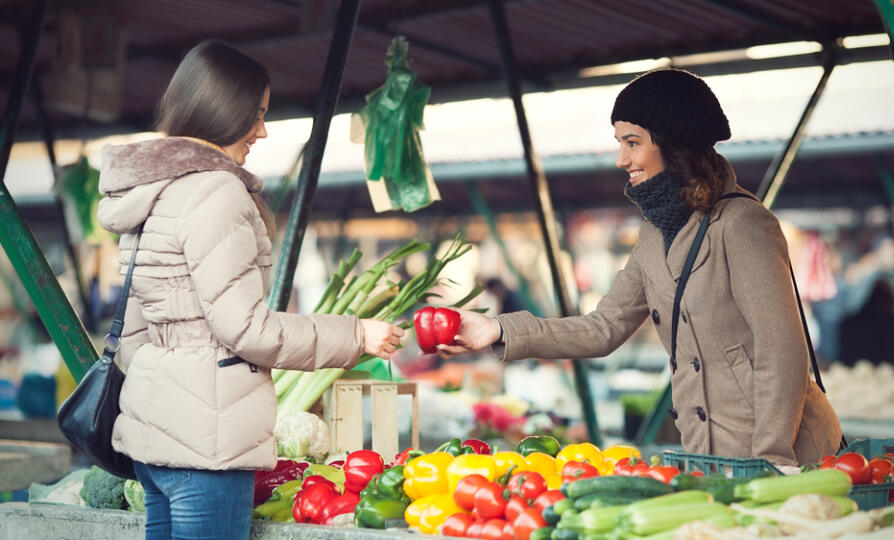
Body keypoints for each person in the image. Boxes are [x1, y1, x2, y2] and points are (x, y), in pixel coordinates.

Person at [438, 68, 842, 467]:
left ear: (673, 144)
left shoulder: (741, 224)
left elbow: (782, 350)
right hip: (711, 454)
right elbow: (603, 327)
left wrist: (771, 458)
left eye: (632, 142)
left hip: (787, 458)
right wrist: (500, 328)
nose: (621, 158)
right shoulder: (655, 232)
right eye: (620, 143)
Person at [97, 41, 403, 539]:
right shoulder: (215, 191)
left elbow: (133, 331)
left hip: (151, 439)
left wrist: (172, 387)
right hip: (208, 448)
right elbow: (246, 328)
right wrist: (356, 335)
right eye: (255, 114)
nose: (261, 130)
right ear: (222, 110)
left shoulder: (152, 193)